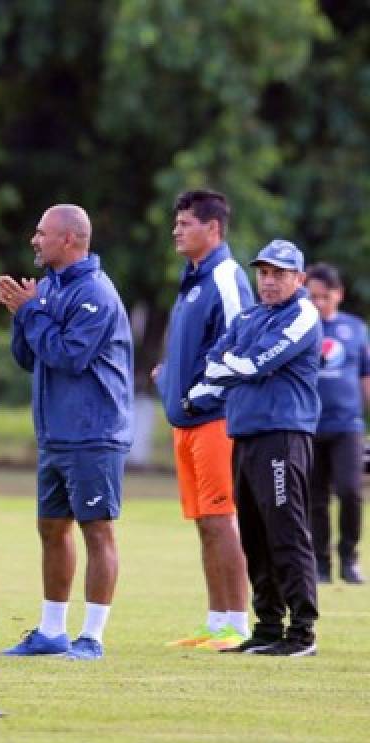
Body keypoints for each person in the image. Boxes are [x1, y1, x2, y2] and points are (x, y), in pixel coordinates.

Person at [0, 204, 133, 661]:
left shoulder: (95, 293)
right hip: (55, 432)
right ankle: (52, 631)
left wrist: (32, 312)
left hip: (94, 432)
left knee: (96, 531)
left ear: (69, 240)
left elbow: (70, 355)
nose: (34, 240)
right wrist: (23, 313)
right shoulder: (52, 287)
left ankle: (91, 637)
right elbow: (30, 357)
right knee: (52, 528)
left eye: (42, 233)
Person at [186, 239, 321, 656]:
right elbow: (214, 361)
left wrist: (234, 364)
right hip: (245, 435)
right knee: (256, 536)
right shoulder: (249, 315)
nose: (269, 281)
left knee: (286, 531)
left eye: (279, 273)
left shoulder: (303, 313)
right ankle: (266, 628)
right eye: (264, 272)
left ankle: (300, 633)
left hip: (283, 434)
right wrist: (231, 365)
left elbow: (255, 363)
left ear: (299, 278)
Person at [154, 190, 254, 651]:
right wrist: (169, 378)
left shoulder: (228, 278)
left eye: (186, 223)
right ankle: (216, 623)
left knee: (221, 519)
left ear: (213, 228)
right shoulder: (192, 279)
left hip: (216, 419)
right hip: (188, 421)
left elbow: (240, 346)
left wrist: (197, 396)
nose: (177, 230)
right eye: (176, 223)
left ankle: (238, 623)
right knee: (204, 522)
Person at [304, 263, 366, 585]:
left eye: (324, 297)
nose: (317, 303)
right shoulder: (301, 328)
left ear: (338, 295)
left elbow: (365, 377)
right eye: (311, 297)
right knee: (315, 498)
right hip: (310, 426)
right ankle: (321, 564)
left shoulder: (355, 328)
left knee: (351, 491)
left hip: (348, 426)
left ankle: (349, 558)